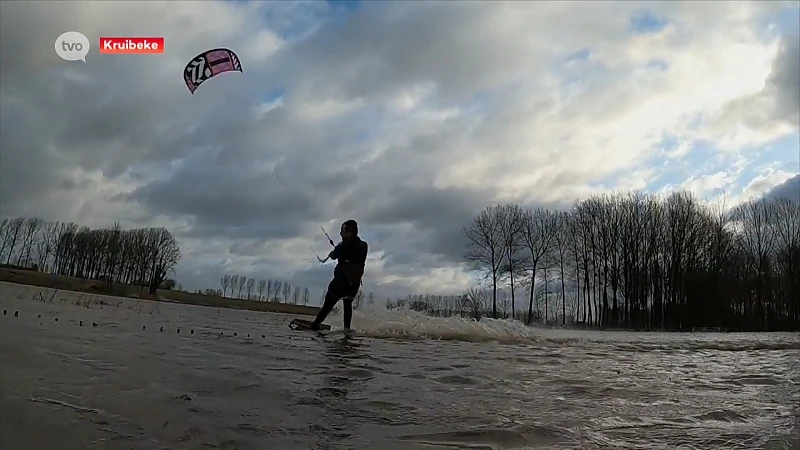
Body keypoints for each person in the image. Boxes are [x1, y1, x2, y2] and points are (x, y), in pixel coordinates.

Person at [310, 220, 368, 331]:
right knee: (347, 304)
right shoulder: (364, 245)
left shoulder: (342, 247)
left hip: (340, 285)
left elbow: (334, 256)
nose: (340, 234)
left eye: (342, 231)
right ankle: (347, 330)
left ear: (349, 233)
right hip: (354, 286)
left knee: (327, 305)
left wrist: (334, 252)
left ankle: (315, 325)